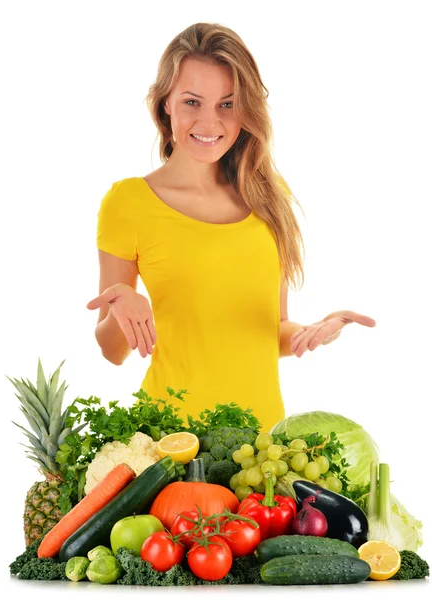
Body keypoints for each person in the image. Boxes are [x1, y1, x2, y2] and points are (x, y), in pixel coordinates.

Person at [86, 22, 376, 433]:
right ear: (165, 102)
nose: (209, 122)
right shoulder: (129, 202)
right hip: (170, 442)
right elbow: (111, 351)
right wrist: (119, 307)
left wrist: (311, 334)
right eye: (192, 101)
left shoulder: (267, 197)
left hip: (260, 442)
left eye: (227, 104)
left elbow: (269, 330)